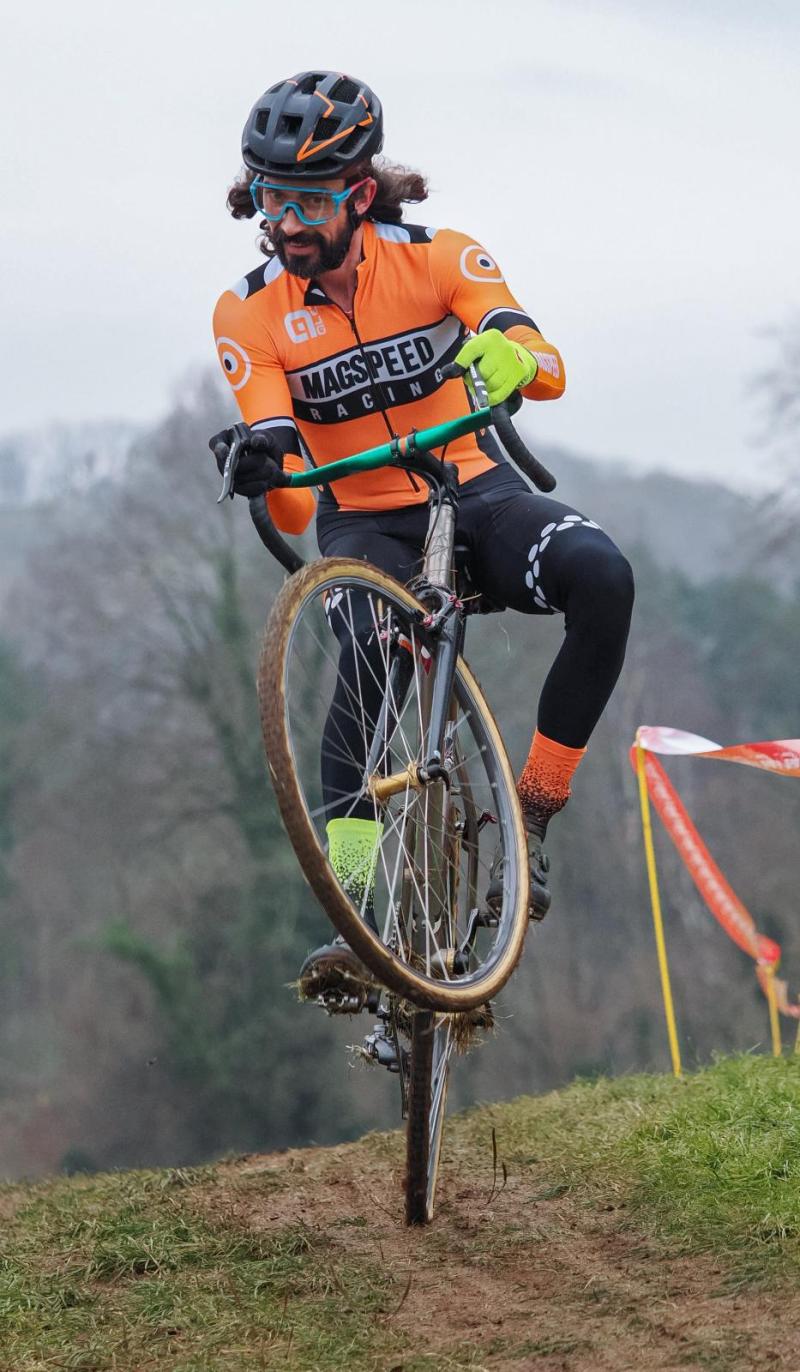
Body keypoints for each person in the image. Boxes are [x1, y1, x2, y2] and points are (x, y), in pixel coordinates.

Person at [211, 70, 634, 996]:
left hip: (476, 492)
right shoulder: (248, 312)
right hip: (364, 524)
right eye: (272, 199)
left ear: (359, 195)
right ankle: (355, 903)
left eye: (309, 200)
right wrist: (261, 468)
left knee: (602, 576)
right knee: (364, 668)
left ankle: (534, 810)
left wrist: (513, 353)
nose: (285, 223)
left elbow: (546, 361)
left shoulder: (441, 255)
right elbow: (286, 486)